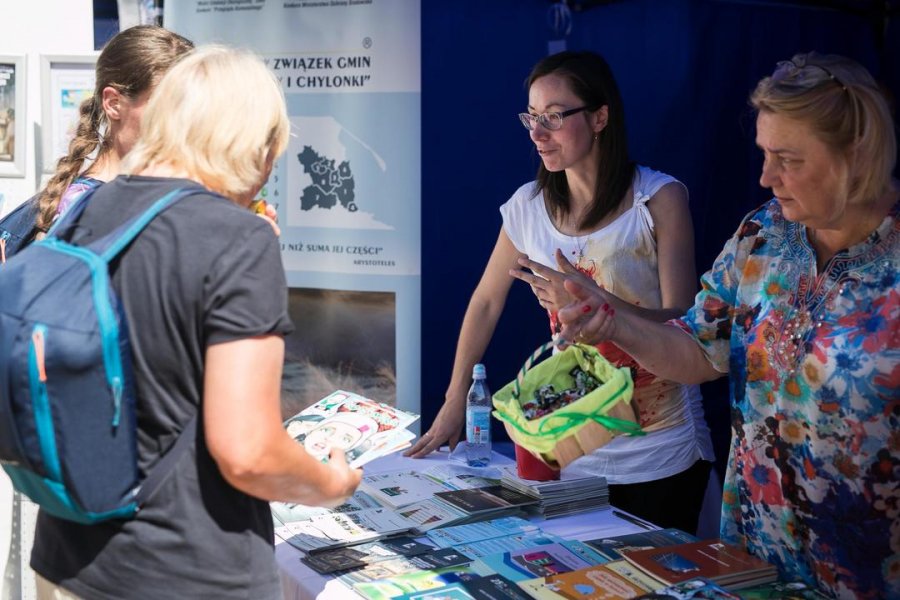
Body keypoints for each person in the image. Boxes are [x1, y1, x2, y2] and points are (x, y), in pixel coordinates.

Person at [555, 52, 899, 598]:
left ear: (856, 154)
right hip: (753, 567)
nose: (767, 177)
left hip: (870, 578)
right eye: (764, 154)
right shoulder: (761, 235)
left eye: (788, 159)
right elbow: (696, 350)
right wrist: (612, 323)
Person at [29, 46, 363, 600]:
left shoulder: (85, 210)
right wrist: (330, 483)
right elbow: (248, 451)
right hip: (184, 571)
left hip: (67, 559)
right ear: (252, 146)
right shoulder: (235, 238)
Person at [406, 51, 715, 535]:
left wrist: (602, 306)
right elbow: (486, 302)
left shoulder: (657, 199)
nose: (537, 133)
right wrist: (453, 403)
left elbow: (687, 323)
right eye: (531, 117)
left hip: (658, 449)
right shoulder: (527, 208)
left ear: (599, 117)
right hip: (569, 446)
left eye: (553, 116)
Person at [0, 25, 193, 262]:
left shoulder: (133, 199)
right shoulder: (88, 211)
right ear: (113, 103)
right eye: (168, 105)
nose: (186, 120)